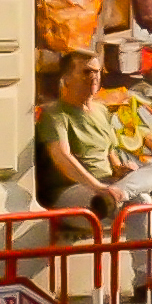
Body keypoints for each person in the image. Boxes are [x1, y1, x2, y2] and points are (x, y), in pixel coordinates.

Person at [32, 48, 121, 218]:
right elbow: (63, 157)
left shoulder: (102, 111)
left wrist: (120, 169)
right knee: (112, 202)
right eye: (86, 72)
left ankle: (145, 245)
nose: (94, 77)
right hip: (73, 190)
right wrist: (98, 187)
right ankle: (120, 195)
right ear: (66, 79)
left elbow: (110, 152)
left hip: (107, 184)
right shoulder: (54, 114)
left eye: (97, 72)